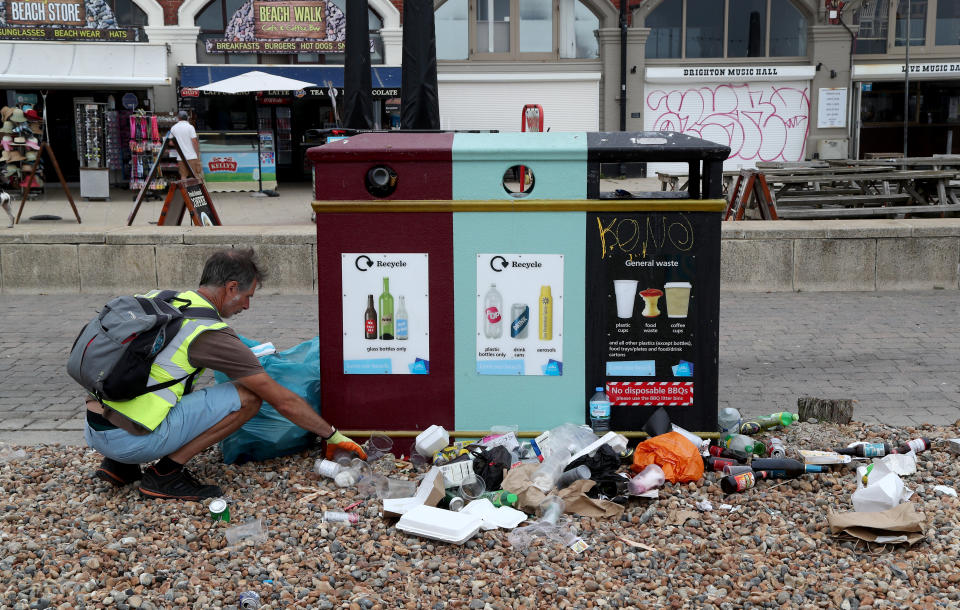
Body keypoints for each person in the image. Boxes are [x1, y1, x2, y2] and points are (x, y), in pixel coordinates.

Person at [85, 248, 366, 501]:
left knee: (169, 377)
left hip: (96, 427)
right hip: (130, 440)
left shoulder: (160, 299)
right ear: (231, 288)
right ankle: (165, 475)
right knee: (249, 397)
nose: (246, 306)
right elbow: (282, 401)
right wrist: (331, 435)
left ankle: (118, 466)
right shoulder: (207, 332)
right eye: (247, 297)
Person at [169, 110, 203, 182]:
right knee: (195, 176)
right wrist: (197, 154)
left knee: (183, 176)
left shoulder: (174, 128)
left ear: (178, 118)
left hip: (181, 157)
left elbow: (171, 143)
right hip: (192, 156)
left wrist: (179, 142)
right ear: (187, 118)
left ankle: (184, 192)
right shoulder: (190, 127)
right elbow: (194, 142)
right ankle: (196, 192)